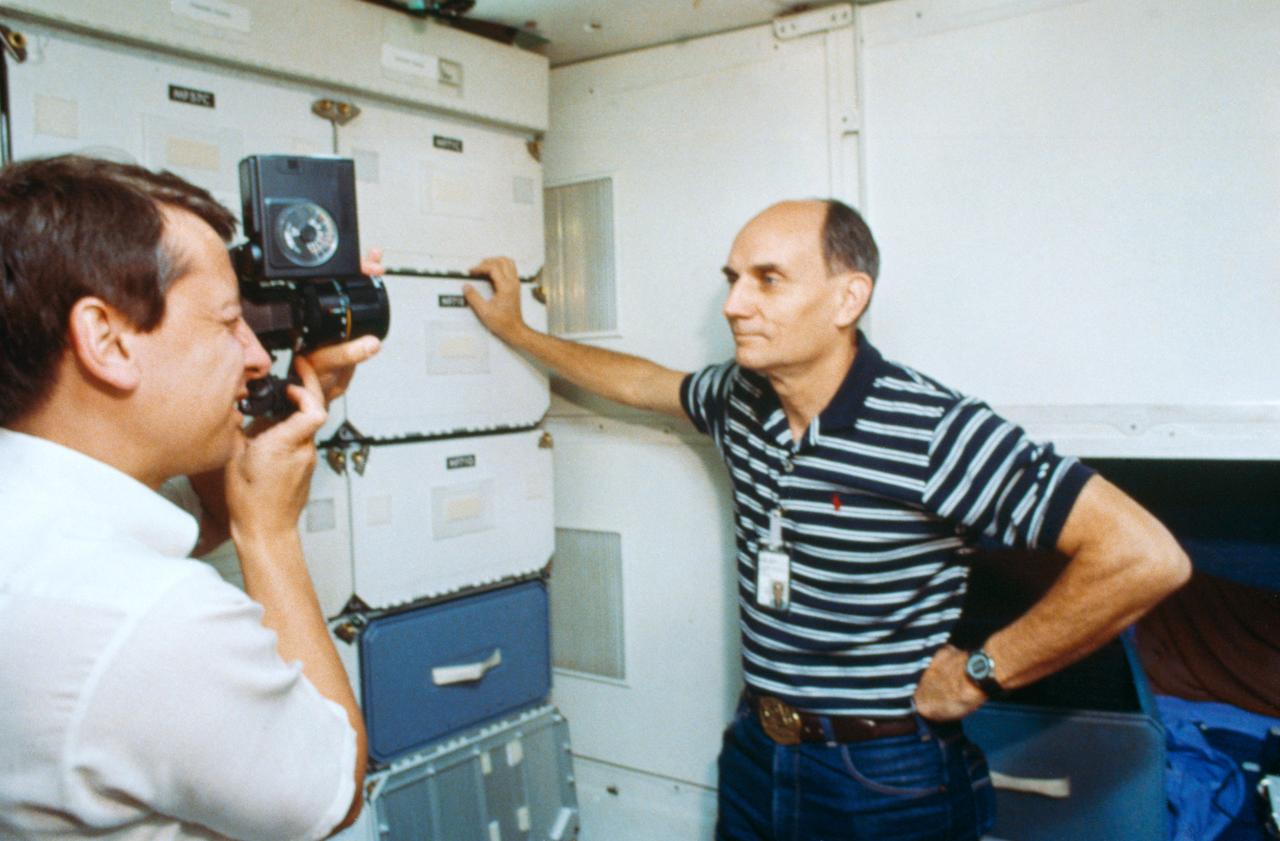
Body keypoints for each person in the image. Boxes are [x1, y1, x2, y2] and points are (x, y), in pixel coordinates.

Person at [464, 198, 1191, 841]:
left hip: (883, 774)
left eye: (768, 279)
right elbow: (644, 381)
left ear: (848, 298)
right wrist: (520, 333)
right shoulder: (738, 399)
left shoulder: (933, 427)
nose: (734, 304)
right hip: (758, 750)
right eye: (732, 278)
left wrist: (981, 671)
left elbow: (1144, 554)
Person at [0, 155, 379, 840]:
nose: (256, 356)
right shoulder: (156, 617)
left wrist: (274, 410)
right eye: (228, 322)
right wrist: (270, 535)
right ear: (106, 340)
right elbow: (330, 791)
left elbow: (176, 522)